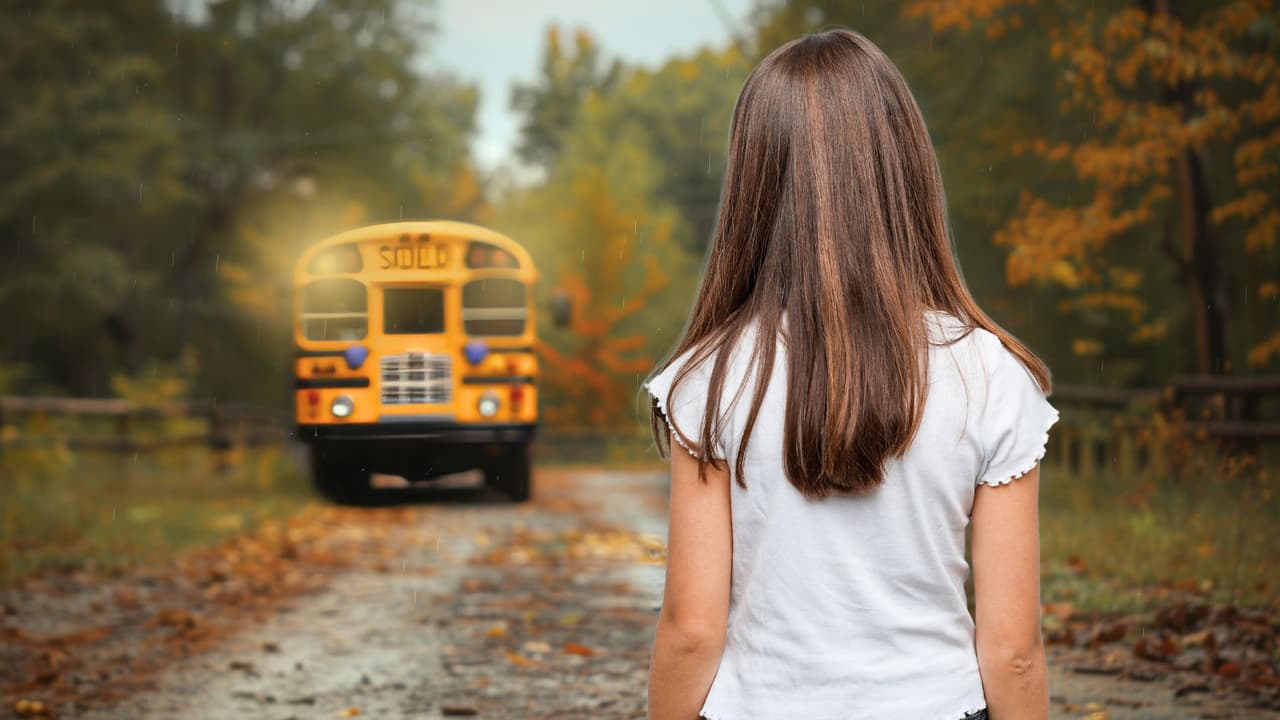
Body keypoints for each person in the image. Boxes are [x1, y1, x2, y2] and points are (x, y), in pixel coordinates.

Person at [643, 28, 1058, 720]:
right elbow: (1013, 649)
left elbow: (691, 631)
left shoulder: (706, 379)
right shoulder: (991, 374)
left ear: (753, 184)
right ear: (904, 169)